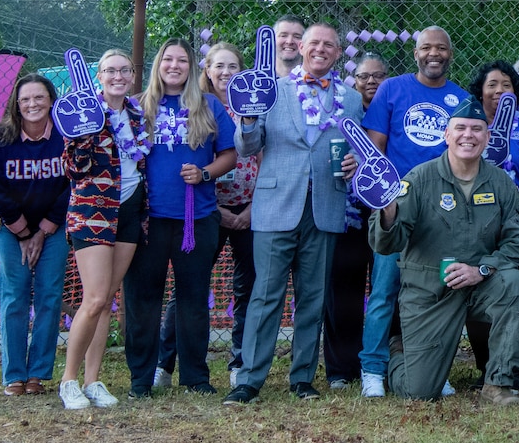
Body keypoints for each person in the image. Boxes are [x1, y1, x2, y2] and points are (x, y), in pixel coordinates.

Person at [228, 23, 365, 405]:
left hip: (325, 206)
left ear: (338, 53)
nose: (321, 49)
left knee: (313, 296)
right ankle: (249, 380)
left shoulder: (351, 100)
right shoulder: (270, 92)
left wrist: (355, 161)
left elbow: (355, 148)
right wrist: (249, 119)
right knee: (266, 294)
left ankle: (302, 377)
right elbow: (247, 147)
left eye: (330, 45)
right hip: (276, 205)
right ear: (302, 47)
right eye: (315, 43)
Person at [371, 101, 519, 403]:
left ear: (487, 138)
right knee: (420, 392)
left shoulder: (500, 182)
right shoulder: (419, 180)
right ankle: (399, 352)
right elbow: (388, 244)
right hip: (430, 292)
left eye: (477, 129)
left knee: (516, 286)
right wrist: (388, 212)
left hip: (480, 285)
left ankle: (498, 382)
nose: (468, 135)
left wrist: (483, 269)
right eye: (460, 128)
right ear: (446, 135)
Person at [358, 26, 470, 397]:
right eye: (426, 47)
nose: (433, 53)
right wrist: (382, 199)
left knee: (437, 293)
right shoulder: (392, 89)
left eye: (441, 47)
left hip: (442, 211)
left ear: (450, 54)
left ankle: (433, 366)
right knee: (384, 289)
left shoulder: (461, 99)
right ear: (416, 53)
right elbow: (374, 149)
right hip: (397, 205)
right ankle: (372, 368)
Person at [125, 39, 238, 397]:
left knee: (192, 300)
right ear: (159, 64)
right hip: (148, 221)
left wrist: (205, 173)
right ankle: (141, 379)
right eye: (168, 59)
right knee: (143, 300)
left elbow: (230, 155)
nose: (174, 66)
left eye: (182, 60)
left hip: (196, 219)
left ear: (192, 67)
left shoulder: (208, 106)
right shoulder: (138, 107)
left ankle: (195, 377)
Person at [57, 48, 146, 410]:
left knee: (107, 298)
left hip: (129, 210)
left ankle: (93, 381)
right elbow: (74, 167)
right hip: (93, 210)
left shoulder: (138, 114)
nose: (118, 76)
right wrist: (86, 135)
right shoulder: (83, 111)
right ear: (99, 76)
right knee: (93, 299)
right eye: (110, 71)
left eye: (124, 70)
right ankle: (68, 380)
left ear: (132, 75)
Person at [0, 73, 68, 396]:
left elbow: (72, 184)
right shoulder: (0, 139)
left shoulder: (65, 137)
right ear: (16, 105)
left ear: (51, 100)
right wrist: (22, 232)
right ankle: (14, 375)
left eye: (39, 97)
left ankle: (38, 374)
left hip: (54, 227)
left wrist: (45, 229)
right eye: (25, 99)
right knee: (14, 297)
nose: (33, 104)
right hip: (11, 228)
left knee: (49, 296)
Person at [321, 52, 390, 387]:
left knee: (385, 288)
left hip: (386, 210)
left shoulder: (394, 110)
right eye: (364, 76)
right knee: (343, 290)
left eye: (378, 76)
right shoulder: (341, 111)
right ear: (353, 81)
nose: (371, 82)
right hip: (346, 211)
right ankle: (340, 369)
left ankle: (381, 362)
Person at [202, 42, 258, 384]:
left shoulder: (253, 106)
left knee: (248, 289)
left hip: (251, 209)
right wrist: (218, 211)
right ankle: (167, 361)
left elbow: (266, 157)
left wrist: (251, 209)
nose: (226, 73)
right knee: (191, 286)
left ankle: (240, 362)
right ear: (207, 70)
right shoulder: (197, 107)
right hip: (209, 208)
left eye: (233, 66)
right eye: (219, 66)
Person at [470, 59, 519, 189]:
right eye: (492, 85)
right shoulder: (468, 127)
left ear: (515, 91)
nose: (500, 90)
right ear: (481, 92)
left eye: (506, 85)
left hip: (514, 204)